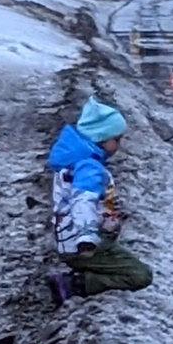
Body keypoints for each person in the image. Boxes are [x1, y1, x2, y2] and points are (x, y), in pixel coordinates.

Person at [47, 97, 153, 303]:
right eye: (117, 139)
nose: (119, 146)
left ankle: (77, 279)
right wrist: (87, 237)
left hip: (69, 239)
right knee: (141, 275)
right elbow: (83, 201)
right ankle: (74, 284)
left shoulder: (77, 161)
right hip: (82, 245)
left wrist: (107, 211)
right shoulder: (89, 167)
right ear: (101, 139)